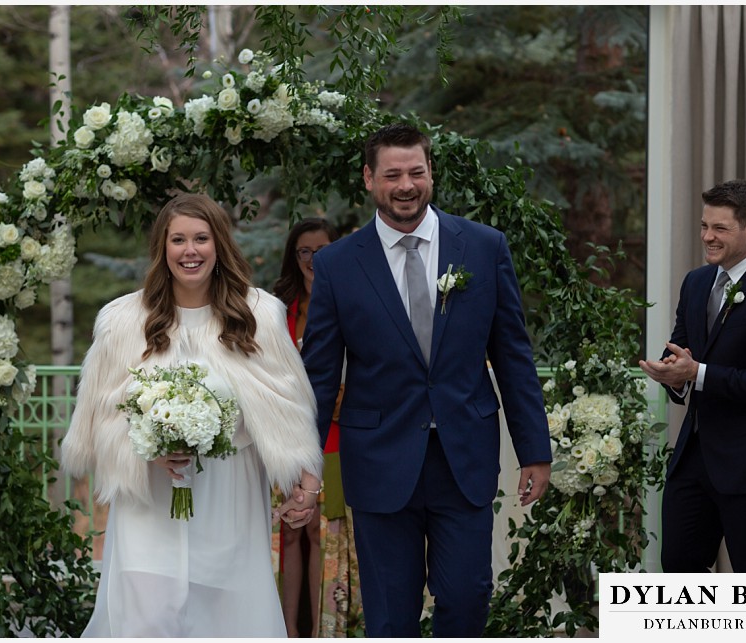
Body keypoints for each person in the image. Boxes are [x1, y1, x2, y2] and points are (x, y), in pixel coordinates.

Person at [294, 123, 553, 637]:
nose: (406, 185)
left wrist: (535, 451)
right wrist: (305, 465)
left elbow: (513, 357)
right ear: (369, 179)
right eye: (392, 174)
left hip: (465, 457)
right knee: (390, 614)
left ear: (430, 172)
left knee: (466, 597)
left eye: (416, 172)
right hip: (378, 461)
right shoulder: (338, 264)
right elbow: (320, 376)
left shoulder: (482, 247)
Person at [61, 192, 324, 637]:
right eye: (178, 239)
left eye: (201, 238)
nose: (190, 251)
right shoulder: (122, 320)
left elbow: (290, 405)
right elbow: (99, 418)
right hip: (151, 497)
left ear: (218, 244)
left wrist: (307, 483)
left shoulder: (258, 314)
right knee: (148, 613)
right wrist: (146, 447)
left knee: (225, 614)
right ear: (162, 249)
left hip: (229, 491)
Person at [639, 179, 746, 573]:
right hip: (693, 459)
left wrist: (697, 373)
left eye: (720, 228)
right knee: (678, 573)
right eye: (704, 226)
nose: (708, 237)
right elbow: (681, 350)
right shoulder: (696, 282)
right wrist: (673, 375)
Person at [271, 218, 363, 637]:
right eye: (304, 251)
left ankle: (319, 630)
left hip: (333, 433)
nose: (312, 259)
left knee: (320, 531)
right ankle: (287, 630)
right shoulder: (277, 310)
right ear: (294, 257)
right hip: (285, 434)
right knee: (289, 529)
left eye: (321, 250)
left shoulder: (349, 299)